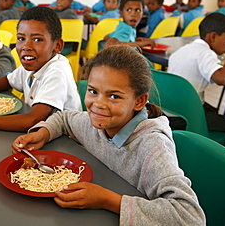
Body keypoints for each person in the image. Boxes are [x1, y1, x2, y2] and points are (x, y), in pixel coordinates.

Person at [12, 45, 206, 225]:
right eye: (93, 91)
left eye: (114, 96)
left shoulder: (152, 146)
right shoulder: (95, 123)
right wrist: (43, 133)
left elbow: (190, 216)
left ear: (139, 101)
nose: (99, 104)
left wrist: (109, 200)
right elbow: (64, 119)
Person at [168, 13, 225, 153]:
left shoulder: (182, 50)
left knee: (211, 110)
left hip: (168, 112)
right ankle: (221, 165)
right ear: (213, 36)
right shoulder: (205, 53)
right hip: (186, 116)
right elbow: (221, 78)